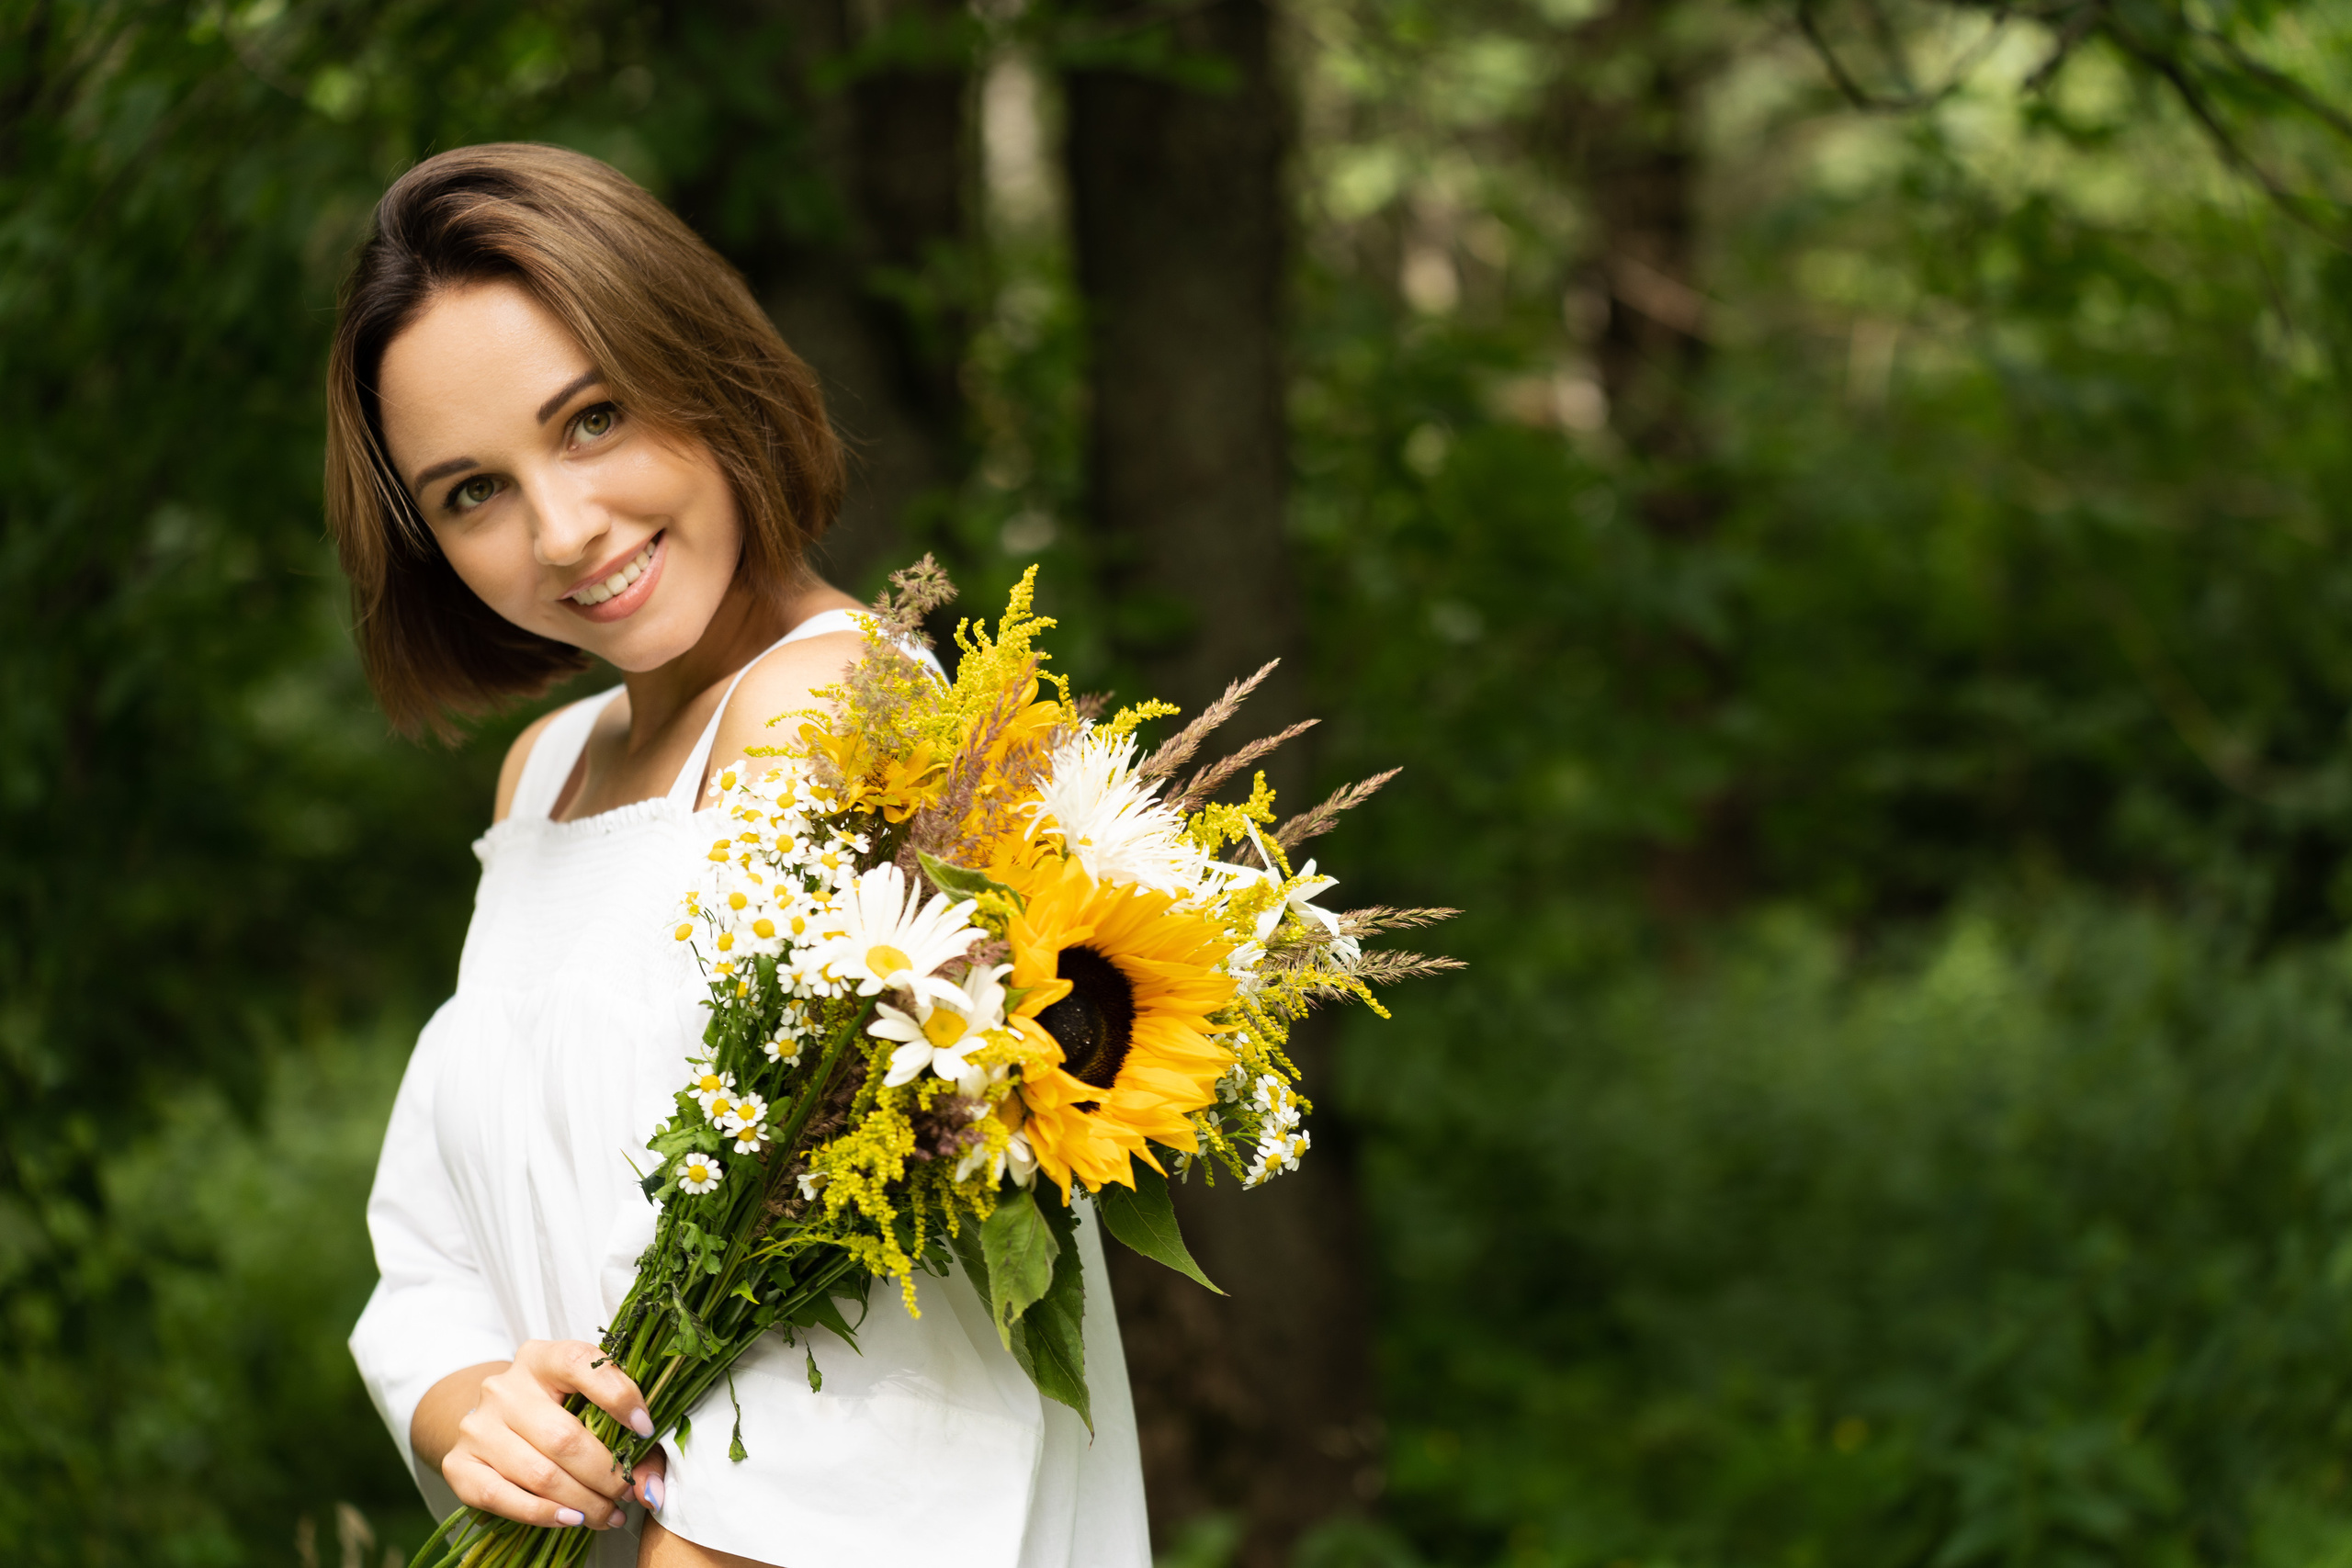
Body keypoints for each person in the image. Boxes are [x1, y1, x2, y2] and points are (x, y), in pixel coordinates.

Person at [327, 143, 1148, 1568]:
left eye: (590, 420)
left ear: (699, 364)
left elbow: (895, 1356)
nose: (564, 530)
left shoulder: (849, 720)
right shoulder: (546, 776)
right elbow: (438, 1243)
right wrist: (475, 1411)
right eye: (472, 492)